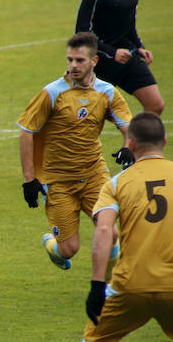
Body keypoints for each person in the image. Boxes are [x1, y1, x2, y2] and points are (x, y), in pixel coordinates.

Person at [18, 111, 173, 342]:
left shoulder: (117, 183)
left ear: (130, 144)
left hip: (129, 287)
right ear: (164, 141)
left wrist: (95, 286)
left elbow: (104, 232)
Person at [17, 32, 132, 271]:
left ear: (94, 61)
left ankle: (107, 289)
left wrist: (127, 146)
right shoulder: (52, 93)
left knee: (110, 232)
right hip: (59, 181)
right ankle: (52, 246)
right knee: (69, 249)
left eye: (79, 60)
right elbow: (26, 131)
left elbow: (127, 125)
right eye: (70, 59)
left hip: (94, 176)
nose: (73, 65)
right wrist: (29, 180)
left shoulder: (107, 92)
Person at [75, 0, 163, 115]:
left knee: (155, 106)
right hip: (101, 63)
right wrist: (112, 52)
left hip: (128, 57)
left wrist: (139, 46)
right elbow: (82, 33)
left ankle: (131, 143)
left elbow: (130, 23)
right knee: (91, 117)